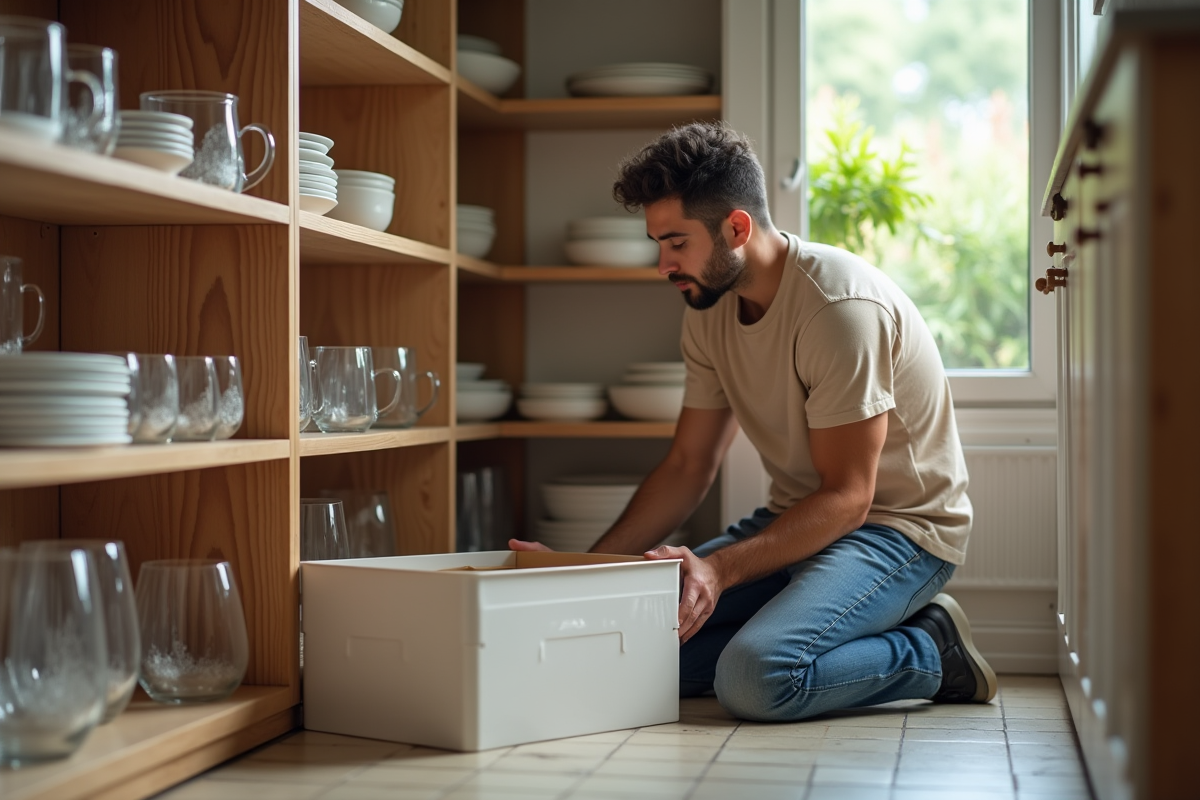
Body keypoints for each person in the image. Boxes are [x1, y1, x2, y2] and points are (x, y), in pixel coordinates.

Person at [511, 121, 997, 721]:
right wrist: (585, 576)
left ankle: (930, 651)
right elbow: (688, 465)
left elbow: (849, 497)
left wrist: (718, 571)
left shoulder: (838, 310)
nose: (662, 265)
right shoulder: (708, 307)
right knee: (628, 654)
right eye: (658, 244)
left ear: (736, 229)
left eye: (676, 243)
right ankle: (813, 634)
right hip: (793, 520)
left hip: (897, 531)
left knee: (754, 680)